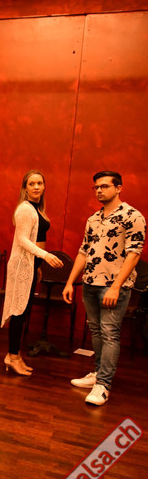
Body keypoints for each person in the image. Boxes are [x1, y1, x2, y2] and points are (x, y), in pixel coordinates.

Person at [62, 171, 145, 405]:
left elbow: (134, 254)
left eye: (105, 186)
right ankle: (97, 374)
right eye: (96, 187)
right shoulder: (93, 219)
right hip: (90, 283)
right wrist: (70, 282)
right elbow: (83, 251)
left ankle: (104, 385)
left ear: (118, 188)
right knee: (96, 331)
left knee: (110, 333)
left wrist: (116, 287)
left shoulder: (132, 216)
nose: (99, 190)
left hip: (114, 286)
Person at [0, 171, 63, 375]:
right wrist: (45, 256)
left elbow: (36, 237)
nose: (36, 187)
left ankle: (15, 355)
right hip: (21, 266)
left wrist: (37, 266)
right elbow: (22, 240)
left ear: (44, 186)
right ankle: (12, 356)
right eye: (31, 183)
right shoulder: (25, 209)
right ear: (25, 188)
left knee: (24, 311)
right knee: (19, 312)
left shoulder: (37, 209)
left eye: (40, 183)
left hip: (31, 265)